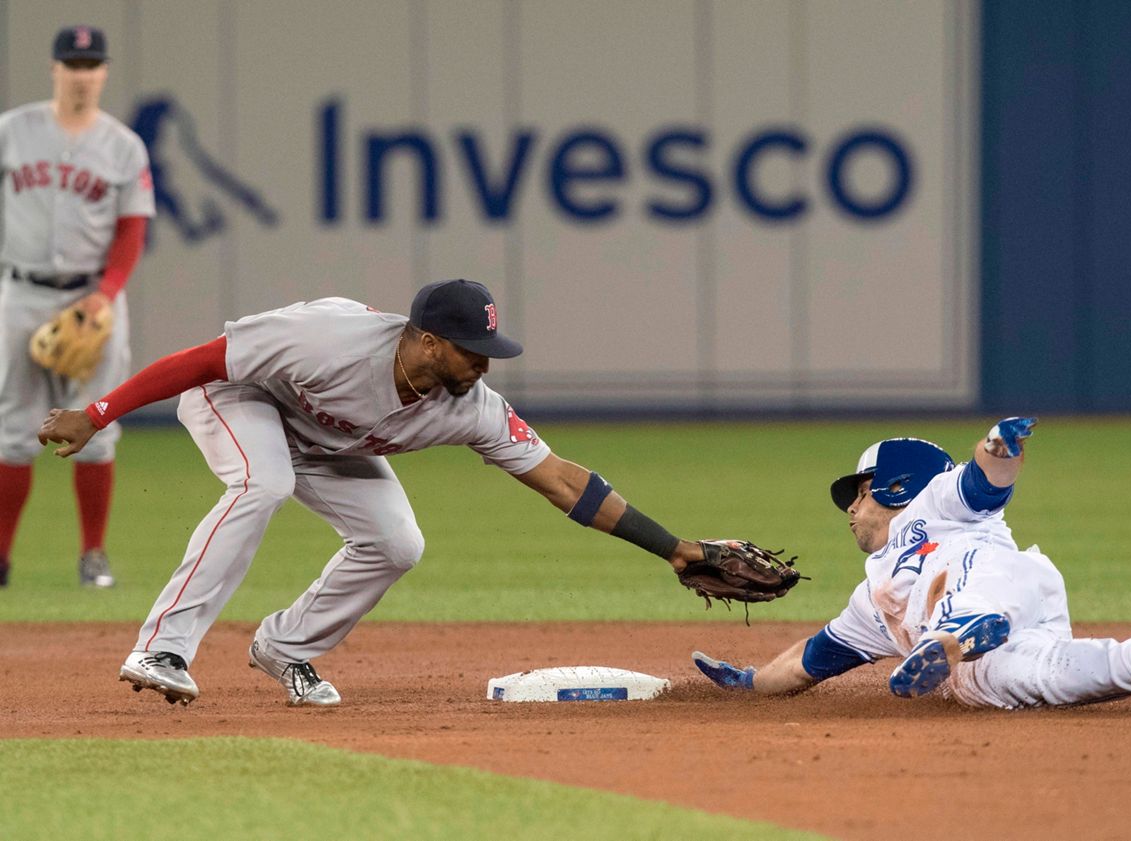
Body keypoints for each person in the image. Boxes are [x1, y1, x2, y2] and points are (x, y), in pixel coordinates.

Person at [38, 279, 711, 707]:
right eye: (470, 347)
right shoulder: (327, 339)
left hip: (326, 440)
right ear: (422, 339)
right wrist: (97, 415)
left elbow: (564, 481)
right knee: (263, 480)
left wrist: (675, 549)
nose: (483, 362)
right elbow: (200, 362)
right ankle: (163, 645)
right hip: (238, 398)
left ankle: (286, 646)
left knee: (397, 542)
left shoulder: (470, 405)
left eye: (488, 348)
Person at [691, 418, 1131, 708]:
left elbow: (986, 484)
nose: (852, 509)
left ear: (895, 485)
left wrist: (998, 448)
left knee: (950, 586)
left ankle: (960, 631)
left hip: (1003, 584)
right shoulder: (871, 598)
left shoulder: (936, 502)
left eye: (859, 493)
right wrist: (748, 682)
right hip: (999, 642)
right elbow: (809, 660)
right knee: (1023, 680)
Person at [0, 25, 154, 588]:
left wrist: (106, 293)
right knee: (10, 429)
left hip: (92, 297)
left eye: (92, 65)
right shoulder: (12, 132)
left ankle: (93, 555)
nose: (83, 75)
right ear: (55, 69)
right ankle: (0, 558)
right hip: (19, 291)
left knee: (96, 422)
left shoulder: (122, 144)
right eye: (73, 64)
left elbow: (132, 230)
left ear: (104, 72)